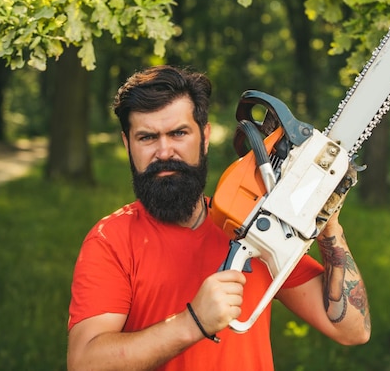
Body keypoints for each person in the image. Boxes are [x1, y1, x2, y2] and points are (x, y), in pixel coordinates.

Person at [67, 65, 371, 371]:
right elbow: (84, 363)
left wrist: (326, 221)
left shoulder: (254, 226)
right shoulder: (111, 240)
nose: (164, 151)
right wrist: (192, 323)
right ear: (127, 145)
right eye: (147, 137)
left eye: (179, 133)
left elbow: (352, 330)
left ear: (205, 136)